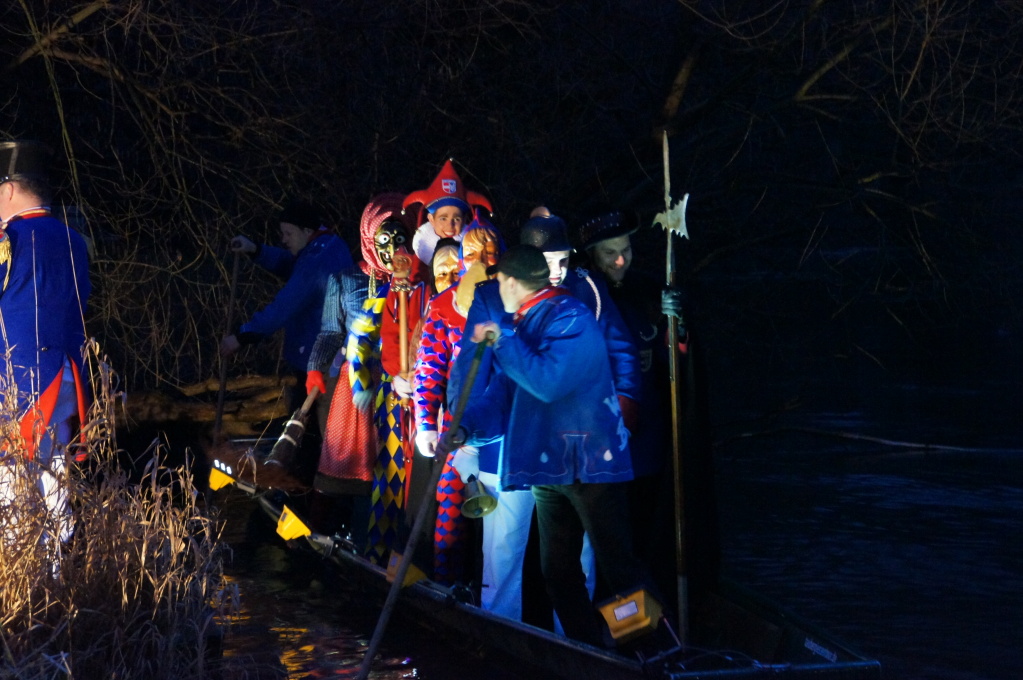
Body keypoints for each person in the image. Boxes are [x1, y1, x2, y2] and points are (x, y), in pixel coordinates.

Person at [440, 244, 652, 647]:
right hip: (549, 471)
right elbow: (505, 393)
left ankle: (653, 648)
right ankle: (585, 649)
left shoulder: (572, 317)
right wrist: (464, 428)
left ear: (516, 282)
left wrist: (502, 340)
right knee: (556, 571)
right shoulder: (524, 327)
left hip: (591, 466)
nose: (494, 287)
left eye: (500, 280)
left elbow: (547, 383)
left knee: (620, 569)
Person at [578, 209, 720, 616]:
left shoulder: (651, 293)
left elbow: (674, 359)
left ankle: (649, 618)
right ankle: (599, 618)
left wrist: (680, 325)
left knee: (643, 529)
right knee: (602, 541)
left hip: (647, 443)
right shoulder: (581, 297)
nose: (621, 260)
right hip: (599, 443)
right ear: (593, 256)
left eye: (625, 250)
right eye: (610, 253)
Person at [0, 139, 92, 547]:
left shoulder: (10, 239)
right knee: (54, 485)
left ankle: (21, 592)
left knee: (11, 488)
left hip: (20, 384)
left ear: (7, 190)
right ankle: (59, 579)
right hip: (68, 377)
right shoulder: (75, 240)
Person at [220, 200, 352, 481]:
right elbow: (291, 264)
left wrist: (242, 336)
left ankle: (303, 486)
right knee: (308, 426)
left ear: (306, 230)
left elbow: (284, 305)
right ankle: (306, 480)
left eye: (288, 234)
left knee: (305, 429)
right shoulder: (328, 246)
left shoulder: (316, 262)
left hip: (316, 361)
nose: (283, 239)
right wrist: (256, 250)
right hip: (323, 357)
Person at [302, 194, 408, 544]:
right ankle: (322, 531)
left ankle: (376, 539)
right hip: (354, 384)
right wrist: (315, 367)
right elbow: (331, 331)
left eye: (399, 237)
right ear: (369, 236)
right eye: (385, 238)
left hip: (397, 382)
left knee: (388, 463)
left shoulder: (411, 281)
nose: (392, 248)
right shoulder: (345, 280)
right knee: (342, 457)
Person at [412, 215, 505, 585]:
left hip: (502, 429)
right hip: (458, 427)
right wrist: (424, 421)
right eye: (472, 253)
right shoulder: (442, 307)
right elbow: (430, 368)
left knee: (499, 522)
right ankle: (446, 582)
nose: (481, 259)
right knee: (451, 505)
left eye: (490, 251)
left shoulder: (511, 300)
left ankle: (492, 593)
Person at [402, 159, 492, 265]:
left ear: (463, 221)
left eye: (456, 219)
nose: (450, 225)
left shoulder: (474, 259)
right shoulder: (418, 260)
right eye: (443, 218)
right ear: (431, 219)